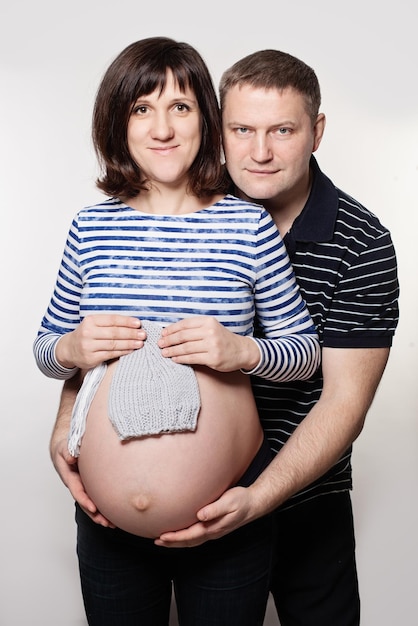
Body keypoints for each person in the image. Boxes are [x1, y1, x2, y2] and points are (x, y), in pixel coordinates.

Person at [34, 38, 320, 625]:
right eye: (142, 108)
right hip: (107, 527)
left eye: (181, 107)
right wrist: (71, 347)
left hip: (228, 521)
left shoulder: (247, 225)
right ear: (118, 122)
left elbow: (306, 354)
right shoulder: (90, 230)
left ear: (205, 120)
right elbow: (47, 349)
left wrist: (242, 349)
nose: (162, 128)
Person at [153, 50, 400, 625]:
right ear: (219, 129)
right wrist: (67, 428)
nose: (259, 152)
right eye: (241, 129)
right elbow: (109, 333)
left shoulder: (361, 242)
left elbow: (344, 401)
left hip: (303, 501)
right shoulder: (181, 209)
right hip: (192, 492)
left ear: (316, 132)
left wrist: (258, 500)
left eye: (282, 130)